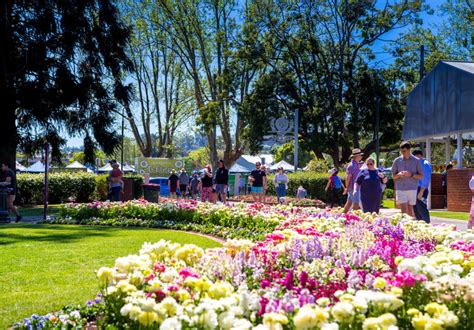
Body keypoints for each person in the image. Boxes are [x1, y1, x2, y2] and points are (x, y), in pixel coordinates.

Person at [391, 141, 423, 217]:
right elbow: (393, 176)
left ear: (409, 150)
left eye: (404, 151)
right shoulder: (397, 161)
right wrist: (398, 175)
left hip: (412, 188)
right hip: (400, 188)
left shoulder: (416, 161)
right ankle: (405, 226)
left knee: (410, 210)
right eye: (401, 151)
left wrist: (411, 174)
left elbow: (421, 176)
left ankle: (412, 226)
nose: (403, 153)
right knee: (404, 211)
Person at [413, 150, 432, 223]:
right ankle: (420, 225)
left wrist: (421, 191)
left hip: (421, 189)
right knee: (416, 209)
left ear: (418, 156)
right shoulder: (417, 164)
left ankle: (427, 224)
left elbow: (425, 178)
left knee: (422, 208)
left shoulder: (425, 164)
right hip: (415, 188)